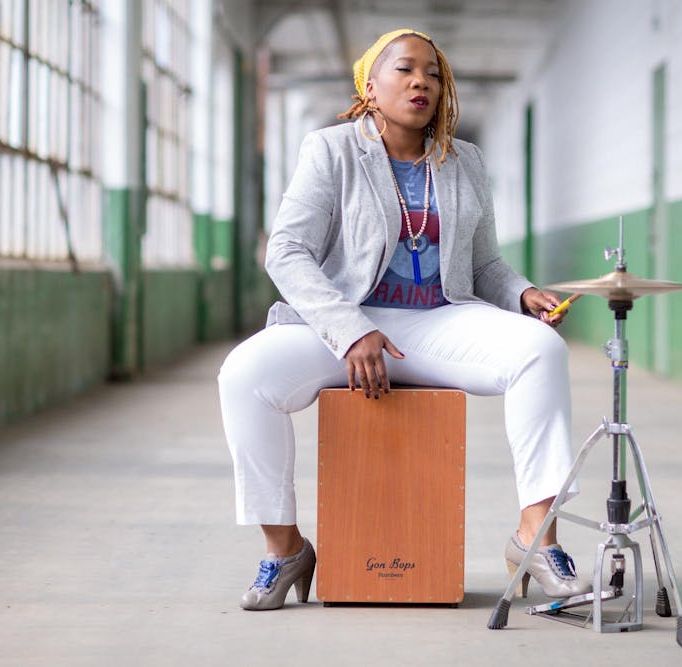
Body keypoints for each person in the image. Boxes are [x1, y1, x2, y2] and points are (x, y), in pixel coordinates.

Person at [218, 28, 589, 611]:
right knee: (245, 374)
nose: (422, 81)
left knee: (541, 351)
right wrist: (349, 329)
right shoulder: (331, 149)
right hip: (345, 321)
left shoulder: (463, 159)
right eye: (406, 70)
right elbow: (286, 251)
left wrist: (521, 295)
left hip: (440, 320)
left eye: (434, 73)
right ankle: (284, 549)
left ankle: (536, 537)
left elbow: (484, 261)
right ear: (370, 85)